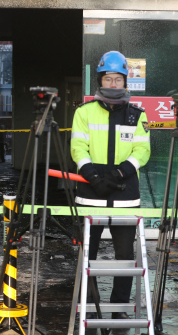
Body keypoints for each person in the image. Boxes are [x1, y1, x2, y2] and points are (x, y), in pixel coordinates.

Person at [70, 51, 151, 319]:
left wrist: (118, 174)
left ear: (126, 82)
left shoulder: (137, 115)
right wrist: (92, 177)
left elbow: (142, 151)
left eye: (118, 79)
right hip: (89, 194)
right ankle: (89, 305)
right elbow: (78, 147)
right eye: (108, 78)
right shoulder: (84, 112)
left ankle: (120, 308)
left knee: (125, 255)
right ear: (100, 80)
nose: (113, 84)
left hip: (125, 194)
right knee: (87, 253)